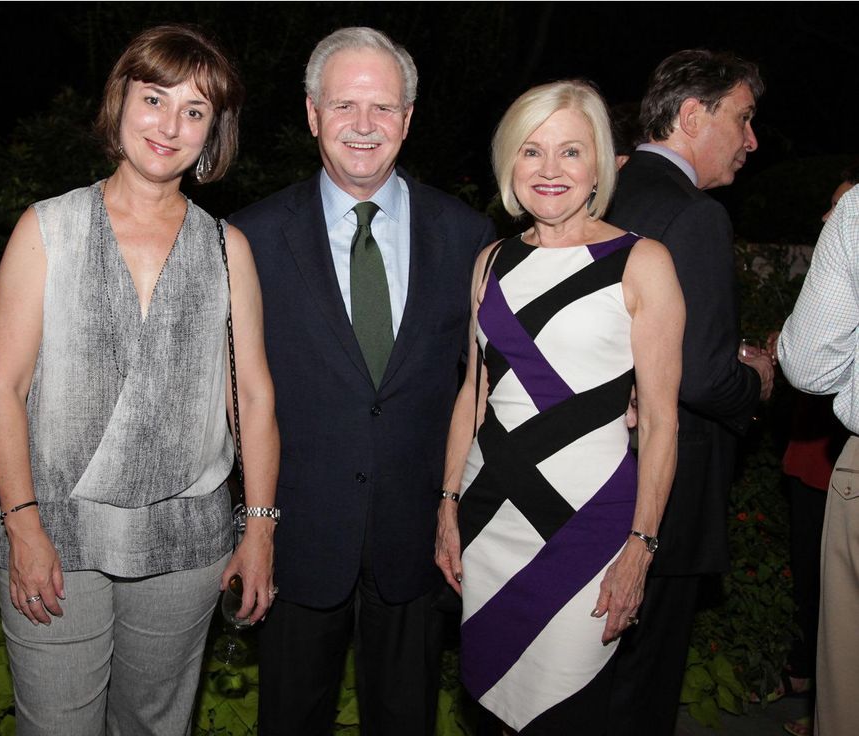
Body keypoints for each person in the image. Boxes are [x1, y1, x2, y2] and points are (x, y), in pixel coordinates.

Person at [0, 24, 279, 735]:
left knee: (154, 726)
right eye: (155, 98)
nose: (170, 125)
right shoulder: (46, 228)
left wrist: (260, 529)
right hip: (57, 529)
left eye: (195, 110)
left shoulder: (227, 248)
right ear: (121, 104)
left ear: (213, 134)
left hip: (186, 540)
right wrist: (24, 526)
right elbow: (1, 389)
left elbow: (254, 396)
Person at [230, 26, 496, 736]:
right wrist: (251, 526)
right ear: (312, 114)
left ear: (408, 119)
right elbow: (230, 393)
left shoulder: (468, 236)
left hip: (419, 537)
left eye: (382, 108)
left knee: (407, 719)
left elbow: (490, 377)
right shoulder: (249, 238)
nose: (363, 126)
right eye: (344, 105)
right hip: (297, 537)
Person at [435, 79, 685, 734]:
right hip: (489, 520)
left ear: (599, 163)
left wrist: (642, 544)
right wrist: (447, 502)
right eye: (532, 151)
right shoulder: (490, 260)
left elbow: (660, 422)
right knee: (488, 710)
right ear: (510, 164)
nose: (549, 171)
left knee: (568, 713)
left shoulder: (642, 263)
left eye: (570, 152)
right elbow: (475, 393)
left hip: (591, 531)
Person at [602, 49, 775, 735]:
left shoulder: (599, 189)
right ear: (693, 114)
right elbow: (700, 375)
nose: (753, 140)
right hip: (663, 495)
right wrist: (754, 382)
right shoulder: (694, 215)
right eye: (744, 117)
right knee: (643, 690)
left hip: (585, 475)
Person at [775, 165, 859, 736]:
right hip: (815, 457)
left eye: (838, 205)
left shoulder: (854, 223)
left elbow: (808, 364)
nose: (829, 215)